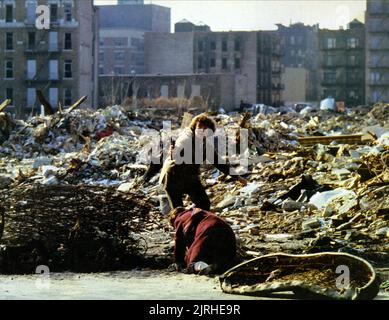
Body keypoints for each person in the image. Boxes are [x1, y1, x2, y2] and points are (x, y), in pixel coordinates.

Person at [143, 113, 247, 211]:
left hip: (190, 177)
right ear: (194, 127)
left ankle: (197, 226)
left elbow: (219, 162)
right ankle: (181, 228)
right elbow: (178, 149)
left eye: (206, 130)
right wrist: (174, 153)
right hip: (172, 178)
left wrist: (237, 176)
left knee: (204, 204)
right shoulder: (186, 138)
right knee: (178, 211)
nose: (202, 131)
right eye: (200, 128)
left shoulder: (205, 145)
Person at [169, 207, 236, 274]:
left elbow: (179, 242)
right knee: (223, 254)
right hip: (227, 230)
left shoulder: (179, 218)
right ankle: (217, 264)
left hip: (209, 229)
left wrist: (178, 261)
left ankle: (203, 267)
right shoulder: (199, 212)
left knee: (194, 259)